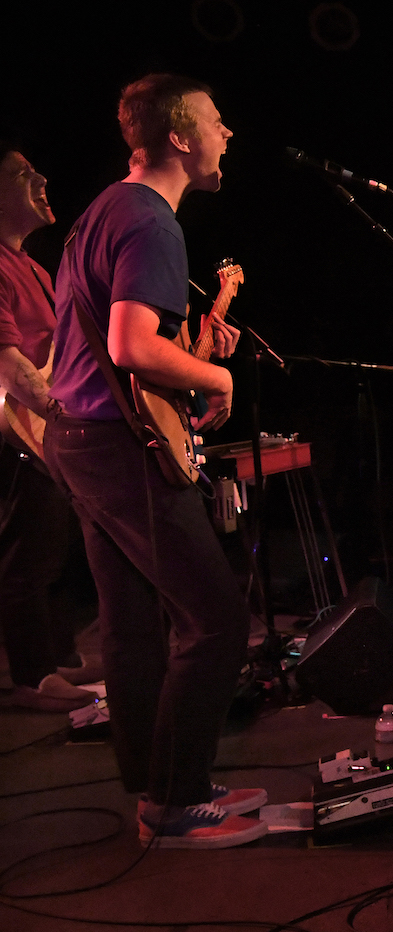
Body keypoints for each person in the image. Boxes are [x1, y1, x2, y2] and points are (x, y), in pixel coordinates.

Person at [44, 74, 266, 848]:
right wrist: (219, 375)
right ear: (179, 135)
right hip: (114, 446)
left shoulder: (101, 210)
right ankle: (175, 802)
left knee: (133, 625)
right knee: (216, 620)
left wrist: (190, 356)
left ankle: (158, 786)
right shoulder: (152, 222)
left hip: (75, 438)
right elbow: (130, 348)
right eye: (214, 119)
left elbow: (107, 345)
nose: (227, 132)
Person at [0, 142, 97, 711]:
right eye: (21, 173)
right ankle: (32, 676)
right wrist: (59, 413)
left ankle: (58, 657)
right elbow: (8, 361)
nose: (40, 178)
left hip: (46, 428)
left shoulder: (35, 266)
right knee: (26, 553)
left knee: (52, 548)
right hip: (22, 429)